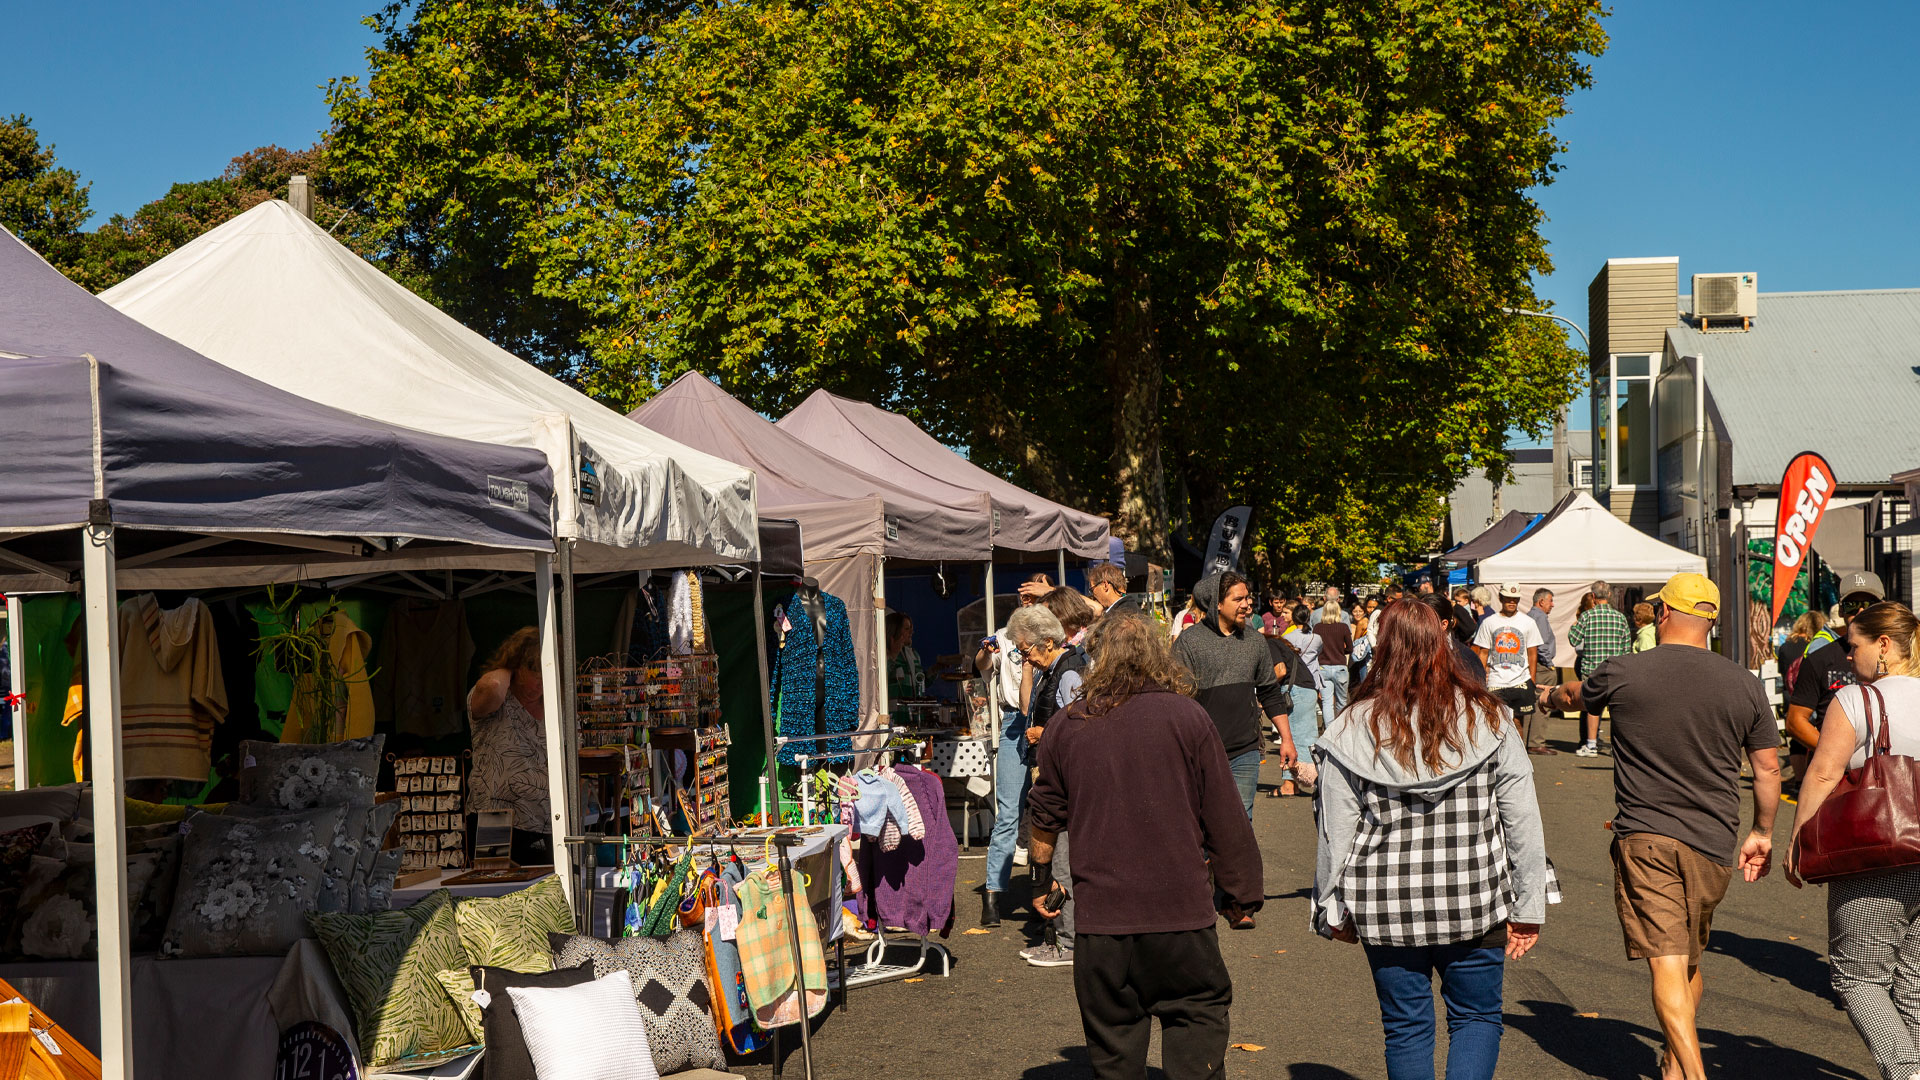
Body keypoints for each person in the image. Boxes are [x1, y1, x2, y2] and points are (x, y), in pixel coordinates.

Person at [1539, 573, 1780, 1080]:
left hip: (1646, 836)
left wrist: (1546, 698)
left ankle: (1693, 1074)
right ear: (1710, 621)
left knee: (1671, 959)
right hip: (1715, 842)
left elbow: (1575, 696)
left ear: (1664, 614)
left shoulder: (1626, 670)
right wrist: (1762, 831)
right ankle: (1675, 1064)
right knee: (1687, 958)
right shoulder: (1746, 684)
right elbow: (1768, 770)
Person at [1315, 599, 1549, 1080]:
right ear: (1444, 644)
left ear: (1381, 647)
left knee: (1405, 1027)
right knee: (1477, 1017)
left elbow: (1334, 830)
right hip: (1474, 895)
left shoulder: (1349, 729)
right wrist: (1529, 905)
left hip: (1385, 901)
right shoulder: (1491, 719)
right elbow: (1521, 818)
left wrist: (1329, 904)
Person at [1028, 610, 1262, 1080]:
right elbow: (1225, 816)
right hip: (1180, 918)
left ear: (1098, 659)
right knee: (1197, 1029)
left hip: (1103, 923)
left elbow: (1044, 814)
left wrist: (1039, 882)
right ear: (1158, 657)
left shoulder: (1068, 723)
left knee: (1114, 1051)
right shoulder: (1187, 716)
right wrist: (1241, 897)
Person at [1784, 602, 1920, 1080]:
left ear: (1884, 646)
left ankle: (1906, 1073)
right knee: (1914, 981)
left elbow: (1823, 773)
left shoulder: (1857, 701)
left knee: (1859, 976)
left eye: (1855, 644)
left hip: (1876, 851)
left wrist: (1799, 841)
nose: (1850, 653)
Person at [1172, 572, 1297, 838]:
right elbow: (1176, 701)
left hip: (1245, 752)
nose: (1247, 604)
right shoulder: (1190, 643)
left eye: (1248, 598)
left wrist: (1287, 739)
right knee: (1202, 828)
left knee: (1240, 826)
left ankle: (1238, 880)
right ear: (1217, 603)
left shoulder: (1254, 642)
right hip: (1201, 755)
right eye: (1238, 598)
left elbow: (1269, 692)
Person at [1007, 605, 1088, 968]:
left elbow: (1082, 725)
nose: (1025, 658)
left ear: (1049, 642)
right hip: (1054, 775)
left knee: (1062, 861)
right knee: (1057, 861)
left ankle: (1068, 943)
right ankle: (1061, 939)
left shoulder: (1069, 672)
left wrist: (1046, 731)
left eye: (1027, 650)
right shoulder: (1052, 669)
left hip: (1064, 781)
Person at [975, 577, 1051, 926]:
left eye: (1033, 595)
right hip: (1013, 723)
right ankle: (993, 895)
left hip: (1047, 718)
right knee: (1008, 811)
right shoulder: (1002, 635)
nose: (1026, 600)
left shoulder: (1052, 635)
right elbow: (981, 666)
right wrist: (984, 651)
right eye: (1022, 595)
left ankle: (1042, 893)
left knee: (1046, 811)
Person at [1785, 571, 1889, 773]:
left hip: (1889, 771)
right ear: (1841, 611)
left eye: (1869, 605)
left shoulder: (1903, 656)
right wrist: (1839, 754)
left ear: (1883, 609)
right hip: (1833, 774)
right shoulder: (1819, 659)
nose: (1860, 612)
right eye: (1851, 605)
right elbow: (1795, 721)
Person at [466, 627, 553, 866]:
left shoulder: (553, 705)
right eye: (532, 669)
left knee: (543, 893)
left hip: (544, 819)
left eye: (545, 669)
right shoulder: (496, 695)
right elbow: (493, 686)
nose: (539, 680)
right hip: (493, 818)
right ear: (515, 665)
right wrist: (509, 667)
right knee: (495, 891)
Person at [1474, 583, 1549, 755]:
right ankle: (1494, 756)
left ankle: (1518, 755)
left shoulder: (1528, 622)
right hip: (1495, 681)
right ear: (1500, 598)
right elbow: (1483, 652)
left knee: (1517, 722)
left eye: (1515, 599)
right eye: (1508, 598)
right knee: (1493, 721)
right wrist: (1479, 678)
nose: (1511, 602)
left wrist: (1532, 679)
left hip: (1520, 680)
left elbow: (1532, 653)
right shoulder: (1489, 622)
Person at [1569, 581, 1632, 758]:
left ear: (1594, 597)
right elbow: (1626, 648)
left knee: (1592, 708)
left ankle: (1591, 745)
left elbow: (1573, 640)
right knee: (1616, 709)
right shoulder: (1620, 618)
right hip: (1615, 669)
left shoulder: (1587, 617)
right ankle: (1617, 746)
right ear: (1610, 595)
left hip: (1591, 668)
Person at [1269, 617, 1322, 798]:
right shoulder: (1280, 645)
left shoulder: (1269, 644)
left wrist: (1264, 689)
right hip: (1306, 690)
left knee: (1292, 738)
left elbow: (1280, 671)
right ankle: (1296, 782)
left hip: (1297, 692)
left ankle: (1290, 785)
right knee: (1304, 738)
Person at [1314, 601, 1355, 726]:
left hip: (1323, 667)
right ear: (1339, 612)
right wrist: (1340, 650)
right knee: (1342, 702)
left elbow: (1315, 647)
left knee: (1327, 702)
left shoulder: (1317, 627)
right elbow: (1350, 648)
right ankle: (1341, 729)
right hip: (1340, 667)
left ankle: (1329, 730)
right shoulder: (1343, 627)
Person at [886, 610, 926, 703]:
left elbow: (920, 682)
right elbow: (880, 682)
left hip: (912, 714)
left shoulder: (914, 654)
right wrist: (893, 655)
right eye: (907, 629)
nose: (911, 632)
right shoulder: (882, 653)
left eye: (911, 628)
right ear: (895, 630)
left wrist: (934, 670)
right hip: (894, 713)